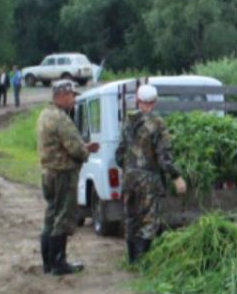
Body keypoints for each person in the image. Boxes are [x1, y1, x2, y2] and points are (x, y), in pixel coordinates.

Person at [116, 84, 186, 264]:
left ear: (138, 101)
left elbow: (119, 154)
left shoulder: (127, 121)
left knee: (132, 220)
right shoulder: (158, 124)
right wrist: (176, 177)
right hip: (149, 181)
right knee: (148, 222)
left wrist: (129, 169)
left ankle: (132, 260)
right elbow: (164, 157)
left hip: (129, 180)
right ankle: (142, 262)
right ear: (154, 102)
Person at [39, 81, 99, 275]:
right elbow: (74, 148)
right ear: (63, 95)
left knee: (51, 215)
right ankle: (59, 262)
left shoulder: (44, 115)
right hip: (62, 174)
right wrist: (86, 151)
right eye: (72, 96)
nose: (74, 100)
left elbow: (58, 144)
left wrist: (82, 147)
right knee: (63, 217)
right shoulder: (61, 118)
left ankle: (48, 262)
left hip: (48, 172)